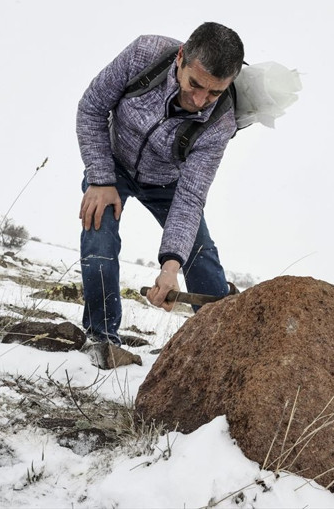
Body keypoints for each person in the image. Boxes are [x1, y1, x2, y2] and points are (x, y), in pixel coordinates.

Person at [76, 22, 244, 345]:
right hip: (112, 165)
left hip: (168, 183)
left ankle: (223, 347)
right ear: (181, 57)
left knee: (203, 260)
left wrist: (171, 266)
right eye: (195, 84)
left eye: (214, 92)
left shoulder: (221, 122)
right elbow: (91, 108)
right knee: (99, 238)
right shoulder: (144, 54)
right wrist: (99, 178)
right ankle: (102, 339)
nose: (200, 99)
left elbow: (191, 197)